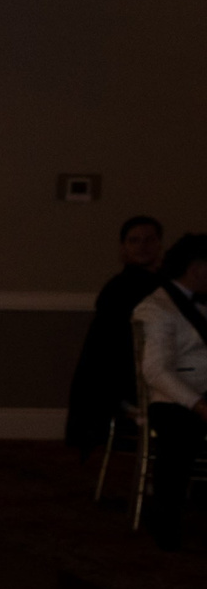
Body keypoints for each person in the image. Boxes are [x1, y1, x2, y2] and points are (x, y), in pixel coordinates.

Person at [132, 232, 207, 551]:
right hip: (174, 398)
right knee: (180, 431)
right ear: (197, 268)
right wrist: (199, 404)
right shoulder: (156, 307)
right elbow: (156, 370)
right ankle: (165, 514)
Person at [66, 214, 163, 456]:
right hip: (127, 382)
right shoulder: (119, 290)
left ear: (160, 244)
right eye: (135, 240)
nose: (142, 246)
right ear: (124, 248)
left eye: (149, 239)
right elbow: (112, 350)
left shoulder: (167, 287)